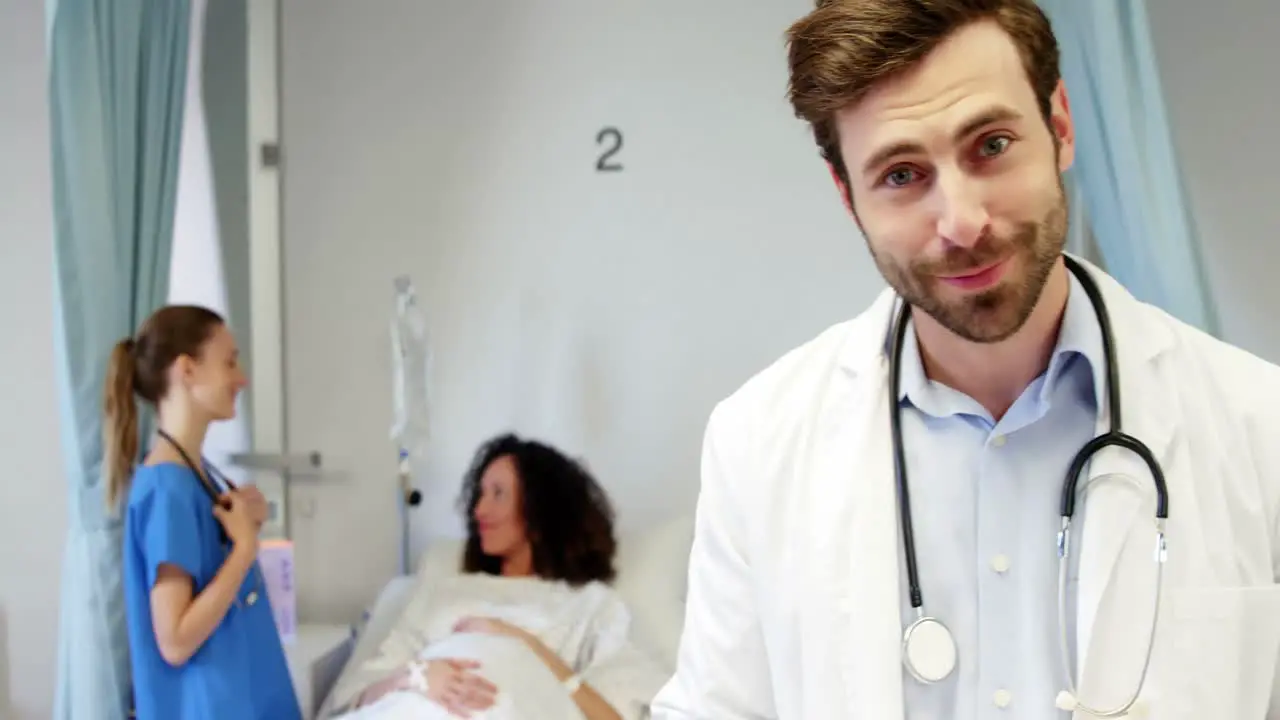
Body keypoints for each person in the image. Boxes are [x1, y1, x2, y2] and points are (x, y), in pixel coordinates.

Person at [650, 1, 1280, 719]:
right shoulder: (757, 441)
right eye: (901, 175)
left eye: (991, 145)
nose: (962, 222)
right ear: (848, 198)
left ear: (1061, 125)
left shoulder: (1259, 425)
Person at [328, 433, 665, 720]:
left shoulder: (589, 604)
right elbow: (350, 700)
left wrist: (522, 642)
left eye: (498, 493)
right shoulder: (442, 592)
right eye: (480, 494)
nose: (479, 510)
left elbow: (611, 716)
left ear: (540, 508)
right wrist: (415, 676)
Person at [107, 305, 302, 719]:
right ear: (187, 370)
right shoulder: (166, 490)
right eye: (229, 361)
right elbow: (175, 640)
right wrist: (244, 550)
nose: (241, 378)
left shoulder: (195, 477)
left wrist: (244, 525)